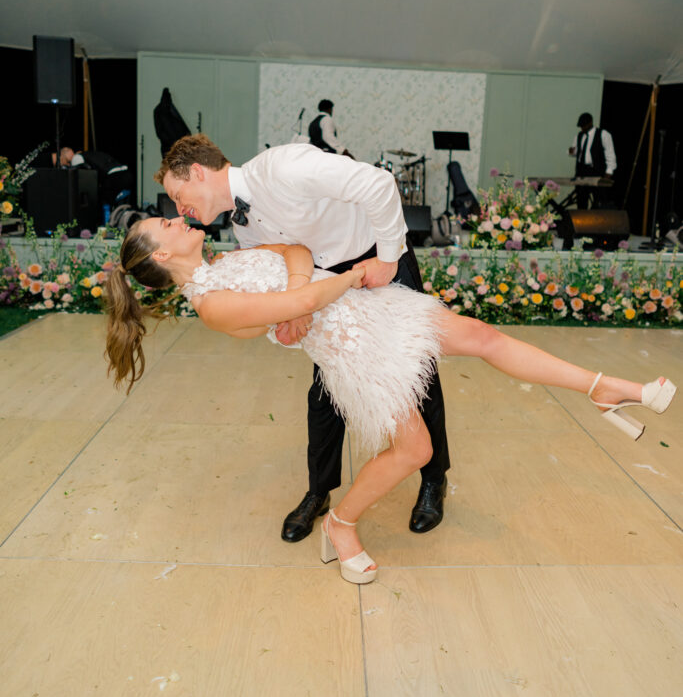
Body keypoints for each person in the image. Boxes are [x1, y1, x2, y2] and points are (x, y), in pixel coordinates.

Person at [104, 218, 677, 585]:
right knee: (415, 448)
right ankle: (342, 524)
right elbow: (305, 294)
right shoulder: (212, 304)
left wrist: (303, 294)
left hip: (376, 312)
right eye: (164, 223)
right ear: (157, 255)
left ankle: (603, 388)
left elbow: (297, 250)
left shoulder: (226, 263)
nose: (177, 217)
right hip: (356, 353)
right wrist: (335, 283)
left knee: (481, 336)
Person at [154, 135, 450, 542]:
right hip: (323, 286)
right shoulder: (243, 229)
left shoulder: (285, 166)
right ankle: (319, 491)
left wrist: (387, 257)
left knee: (419, 377)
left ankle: (433, 480)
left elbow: (378, 184)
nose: (177, 207)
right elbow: (288, 258)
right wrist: (297, 307)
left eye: (177, 192)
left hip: (375, 260)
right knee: (325, 391)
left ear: (198, 172)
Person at [569, 113, 617, 209]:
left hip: (596, 171)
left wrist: (609, 172)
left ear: (590, 123)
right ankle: (582, 220)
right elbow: (577, 153)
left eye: (584, 125)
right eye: (581, 126)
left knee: (598, 201)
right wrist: (572, 152)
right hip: (582, 171)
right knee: (581, 200)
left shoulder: (603, 134)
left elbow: (610, 154)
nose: (582, 128)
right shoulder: (579, 136)